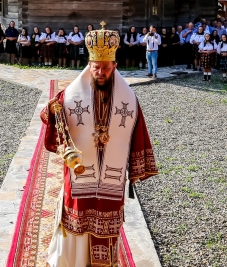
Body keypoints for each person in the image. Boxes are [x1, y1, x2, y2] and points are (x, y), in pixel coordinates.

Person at [40, 24, 157, 267]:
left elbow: (138, 133)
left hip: (111, 178)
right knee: (76, 211)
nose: (100, 73)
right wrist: (51, 112)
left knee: (105, 212)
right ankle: (70, 262)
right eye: (96, 68)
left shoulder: (129, 100)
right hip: (80, 172)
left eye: (106, 68)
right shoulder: (70, 94)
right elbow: (49, 114)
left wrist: (136, 170)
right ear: (89, 66)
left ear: (114, 66)